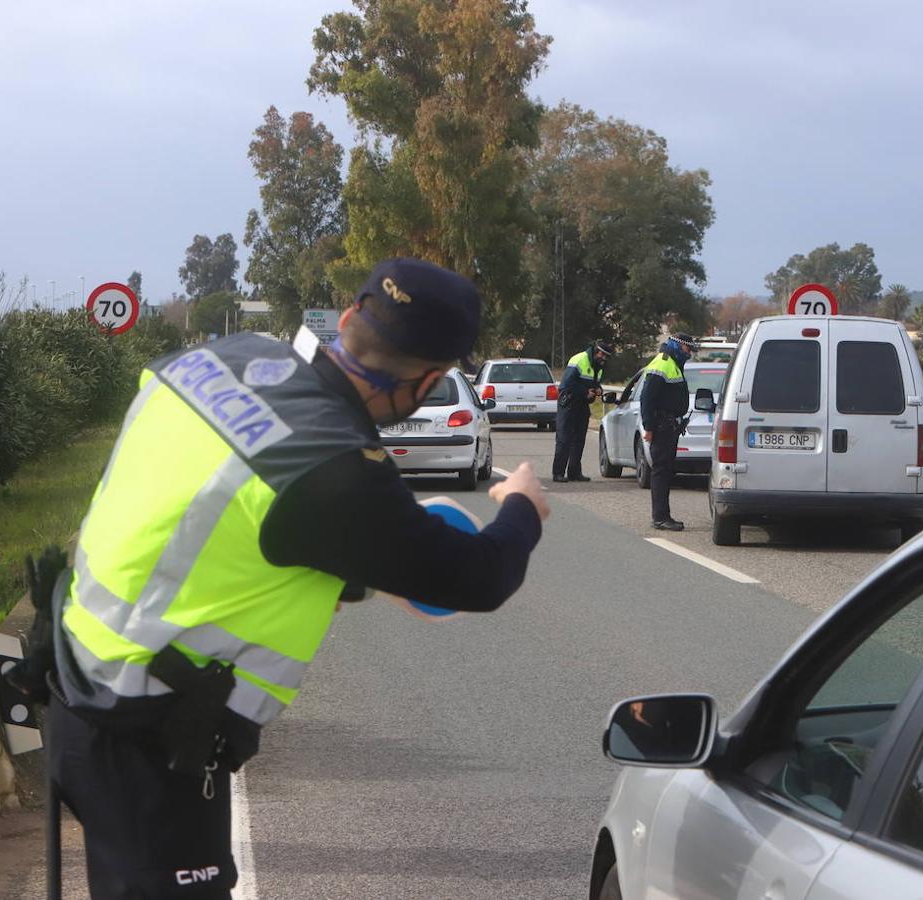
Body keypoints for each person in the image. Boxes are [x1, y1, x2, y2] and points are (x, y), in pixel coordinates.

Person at [40, 258, 549, 899]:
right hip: (150, 742)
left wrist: (352, 577)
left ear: (344, 321)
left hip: (78, 681)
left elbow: (201, 512)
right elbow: (480, 576)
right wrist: (523, 507)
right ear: (431, 379)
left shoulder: (225, 357)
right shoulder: (334, 464)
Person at [639, 333, 696, 531]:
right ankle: (660, 517)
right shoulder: (662, 364)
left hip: (668, 427)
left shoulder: (672, 363)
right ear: (679, 346)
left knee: (665, 470)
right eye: (688, 349)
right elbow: (647, 399)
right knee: (661, 471)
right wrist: (648, 427)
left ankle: (663, 515)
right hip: (661, 426)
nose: (690, 353)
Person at [552, 339, 613, 483]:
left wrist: (598, 390)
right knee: (564, 439)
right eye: (603, 355)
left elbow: (595, 383)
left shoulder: (598, 367)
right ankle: (558, 473)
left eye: (606, 357)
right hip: (569, 402)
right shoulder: (579, 359)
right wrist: (585, 391)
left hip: (582, 404)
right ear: (597, 352)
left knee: (579, 440)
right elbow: (567, 383)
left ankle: (574, 472)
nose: (604, 359)